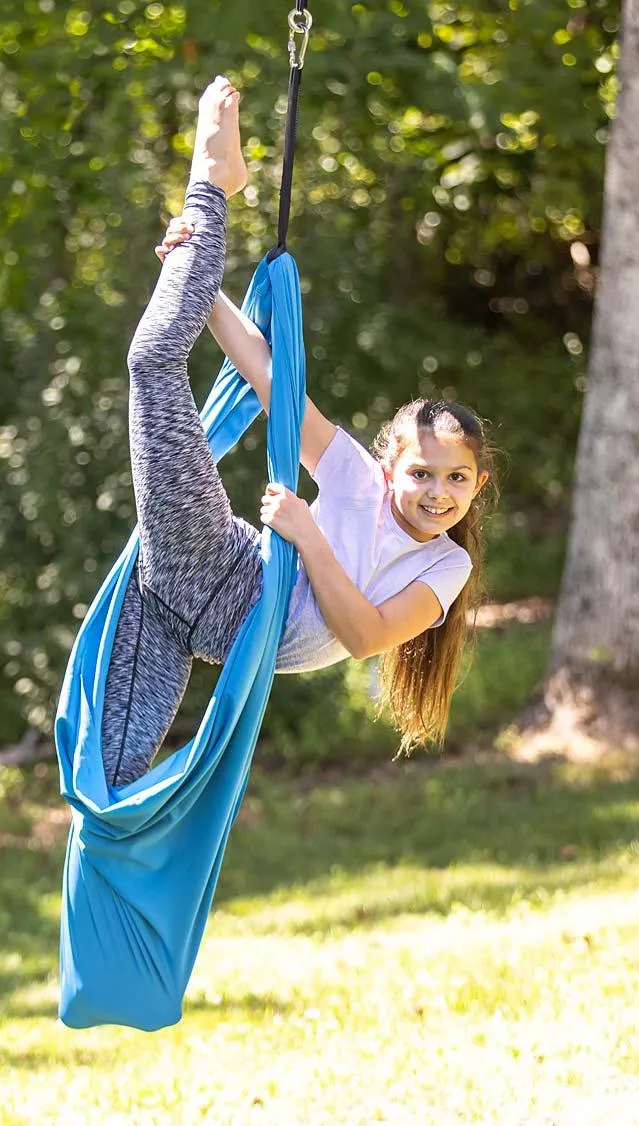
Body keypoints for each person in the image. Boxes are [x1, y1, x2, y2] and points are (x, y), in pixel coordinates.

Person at [102, 76, 497, 789]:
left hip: (210, 625)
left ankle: (212, 191)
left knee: (112, 778)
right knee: (154, 361)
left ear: (479, 483)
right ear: (389, 468)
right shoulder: (352, 477)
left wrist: (307, 535)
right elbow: (267, 378)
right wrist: (202, 283)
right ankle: (211, 189)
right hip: (215, 573)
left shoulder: (446, 567)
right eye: (422, 473)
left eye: (455, 478)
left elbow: (364, 635)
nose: (437, 493)